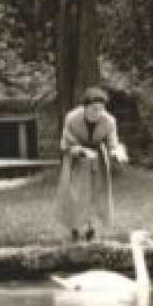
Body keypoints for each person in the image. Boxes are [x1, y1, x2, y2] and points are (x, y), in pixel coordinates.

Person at [56, 87, 128, 242]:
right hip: (76, 159)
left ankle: (91, 228)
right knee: (74, 194)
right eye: (94, 109)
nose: (98, 113)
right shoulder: (71, 118)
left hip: (97, 160)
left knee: (96, 194)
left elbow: (113, 143)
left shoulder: (109, 121)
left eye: (101, 109)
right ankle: (74, 228)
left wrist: (117, 152)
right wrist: (81, 151)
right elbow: (66, 144)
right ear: (85, 107)